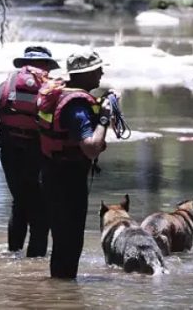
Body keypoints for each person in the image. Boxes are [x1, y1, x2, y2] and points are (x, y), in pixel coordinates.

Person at [0, 46, 60, 257]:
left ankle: (13, 256)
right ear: (46, 66)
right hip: (38, 156)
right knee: (40, 216)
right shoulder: (52, 92)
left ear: (24, 65)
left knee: (20, 202)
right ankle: (32, 271)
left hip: (10, 155)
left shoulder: (4, 88)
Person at [38, 48, 113, 279]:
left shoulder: (60, 93)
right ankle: (65, 293)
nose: (101, 73)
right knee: (70, 241)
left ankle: (57, 290)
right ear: (85, 74)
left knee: (61, 240)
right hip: (68, 179)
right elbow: (90, 148)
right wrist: (104, 117)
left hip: (52, 173)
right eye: (97, 69)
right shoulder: (78, 106)